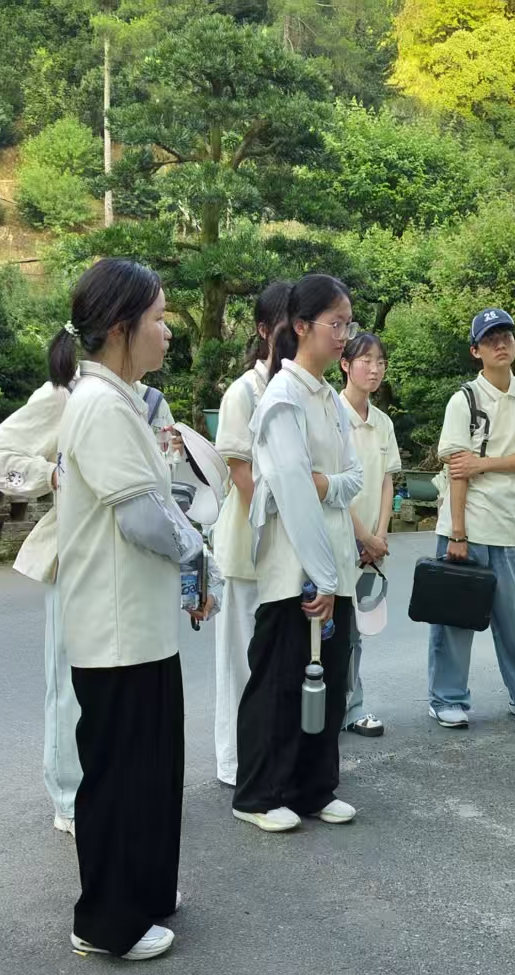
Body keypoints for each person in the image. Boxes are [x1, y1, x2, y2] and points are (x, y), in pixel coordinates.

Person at [53, 257, 212, 961]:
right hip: (115, 627)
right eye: (158, 318)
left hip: (139, 624)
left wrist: (191, 560)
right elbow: (143, 518)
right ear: (121, 328)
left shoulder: (122, 401)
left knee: (148, 768)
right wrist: (197, 551)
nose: (167, 331)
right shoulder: (101, 405)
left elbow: (156, 505)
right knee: (120, 775)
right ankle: (105, 922)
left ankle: (145, 893)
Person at [0, 373, 177, 838]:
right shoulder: (67, 393)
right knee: (71, 684)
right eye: (157, 328)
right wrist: (52, 475)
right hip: (78, 555)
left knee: (128, 685)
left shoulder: (151, 402)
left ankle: (121, 791)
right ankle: (70, 797)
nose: (167, 336)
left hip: (137, 564)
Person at [233, 274, 363, 833]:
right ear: (302, 326)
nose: (344, 335)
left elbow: (353, 478)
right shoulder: (282, 398)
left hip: (333, 562)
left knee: (328, 680)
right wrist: (321, 576)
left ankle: (314, 787)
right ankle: (259, 794)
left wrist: (325, 484)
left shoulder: (330, 398)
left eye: (349, 324)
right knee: (280, 681)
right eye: (336, 323)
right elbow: (291, 491)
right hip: (296, 566)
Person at [427, 308, 515, 730]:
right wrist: (457, 534)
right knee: (454, 619)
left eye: (506, 336)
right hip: (463, 526)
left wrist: (482, 464)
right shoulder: (463, 400)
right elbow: (456, 471)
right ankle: (447, 699)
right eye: (490, 338)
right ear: (475, 351)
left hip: (506, 526)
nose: (500, 344)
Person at [212, 281, 291, 787]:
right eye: (287, 323)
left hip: (288, 546)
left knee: (279, 660)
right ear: (264, 330)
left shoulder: (301, 388)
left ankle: (274, 757)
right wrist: (280, 522)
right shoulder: (243, 392)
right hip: (249, 543)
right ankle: (236, 763)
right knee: (241, 660)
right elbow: (240, 473)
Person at [339, 330, 401, 737]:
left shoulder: (383, 422)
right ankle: (324, 707)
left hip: (370, 546)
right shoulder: (331, 414)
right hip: (337, 538)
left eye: (380, 361)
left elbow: (386, 482)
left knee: (357, 628)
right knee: (329, 627)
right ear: (345, 364)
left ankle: (351, 706)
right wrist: (363, 536)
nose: (375, 369)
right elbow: (330, 486)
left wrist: (379, 536)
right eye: (366, 360)